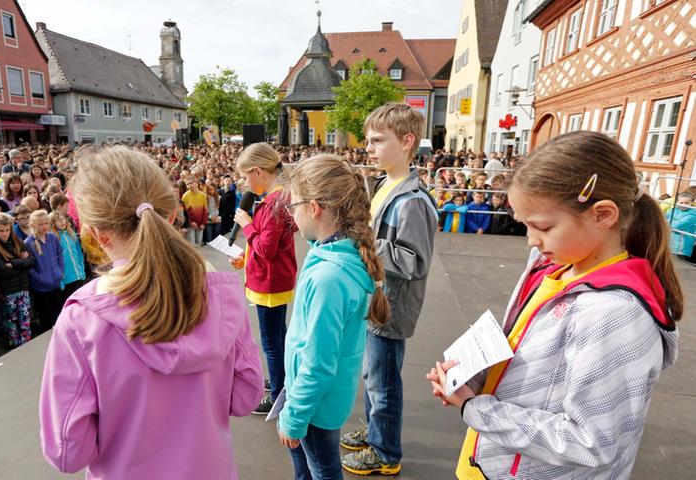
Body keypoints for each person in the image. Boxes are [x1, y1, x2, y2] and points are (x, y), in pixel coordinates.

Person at [426, 131, 682, 480]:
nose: (532, 240)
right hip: (491, 462)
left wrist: (477, 408)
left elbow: (590, 443)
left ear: (602, 215)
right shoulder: (553, 263)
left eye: (543, 226)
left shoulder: (616, 314)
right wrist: (474, 377)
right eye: (526, 225)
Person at [39, 146, 263, 479]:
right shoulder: (222, 294)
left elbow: (68, 452)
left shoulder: (82, 318)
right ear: (172, 214)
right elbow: (246, 397)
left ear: (97, 235)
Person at [341, 104, 437, 476]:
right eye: (369, 140)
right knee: (373, 376)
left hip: (391, 306)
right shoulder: (385, 185)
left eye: (378, 140)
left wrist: (364, 241)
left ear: (407, 141)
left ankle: (385, 451)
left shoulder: (412, 201)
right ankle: (377, 430)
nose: (370, 147)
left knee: (383, 384)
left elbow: (415, 262)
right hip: (377, 300)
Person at [279, 155, 390, 480]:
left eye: (293, 206)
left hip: (313, 404)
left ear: (314, 207)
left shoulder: (328, 277)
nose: (291, 215)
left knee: (323, 470)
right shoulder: (340, 255)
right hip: (322, 398)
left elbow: (318, 362)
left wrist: (295, 416)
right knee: (313, 467)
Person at [231, 142, 298, 415]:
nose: (244, 183)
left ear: (258, 171)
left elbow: (266, 250)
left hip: (270, 283)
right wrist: (245, 259)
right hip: (272, 279)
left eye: (246, 176)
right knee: (277, 338)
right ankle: (280, 379)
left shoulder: (272, 203)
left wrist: (246, 225)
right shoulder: (276, 199)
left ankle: (279, 391)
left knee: (271, 341)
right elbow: (264, 248)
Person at [0, 213, 35, 347]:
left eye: (7, 230)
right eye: (1, 230)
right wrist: (22, 261)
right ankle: (15, 346)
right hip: (7, 292)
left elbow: (32, 261)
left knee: (25, 320)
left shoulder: (17, 242)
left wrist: (14, 263)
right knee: (11, 322)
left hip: (23, 288)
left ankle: (27, 344)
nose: (5, 233)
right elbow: (4, 272)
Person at [25, 209, 63, 332]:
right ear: (33, 225)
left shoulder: (52, 237)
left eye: (46, 223)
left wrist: (60, 271)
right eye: (40, 224)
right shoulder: (29, 243)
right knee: (45, 316)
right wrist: (40, 278)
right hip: (41, 287)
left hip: (55, 283)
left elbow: (60, 255)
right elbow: (29, 267)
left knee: (57, 313)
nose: (44, 226)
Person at [48, 210, 85, 303]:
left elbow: (79, 254)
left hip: (77, 275)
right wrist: (60, 280)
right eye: (58, 220)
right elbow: (54, 261)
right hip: (66, 280)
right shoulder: (53, 239)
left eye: (62, 219)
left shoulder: (71, 234)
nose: (62, 222)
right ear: (53, 224)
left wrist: (82, 269)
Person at [665, 192, 695, 259]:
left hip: (681, 247)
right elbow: (663, 220)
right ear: (677, 202)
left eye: (687, 203)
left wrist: (669, 221)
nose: (684, 205)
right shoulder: (672, 210)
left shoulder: (693, 214)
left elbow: (677, 225)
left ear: (692, 203)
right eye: (681, 202)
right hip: (669, 242)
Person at [181, 177, 208, 246]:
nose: (190, 185)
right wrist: (191, 222)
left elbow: (205, 211)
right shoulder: (185, 196)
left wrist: (203, 223)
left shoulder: (203, 195)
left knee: (199, 242)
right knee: (191, 244)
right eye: (188, 184)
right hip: (191, 225)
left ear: (196, 183)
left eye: (191, 183)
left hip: (200, 224)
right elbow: (185, 213)